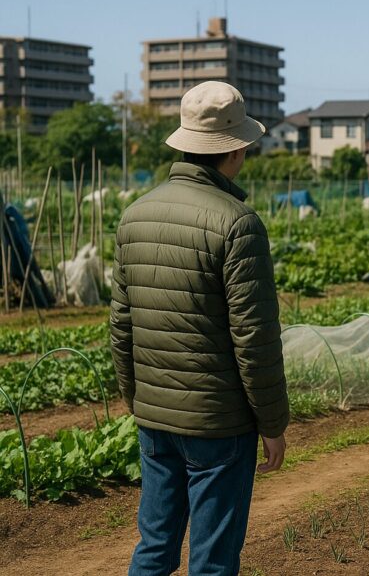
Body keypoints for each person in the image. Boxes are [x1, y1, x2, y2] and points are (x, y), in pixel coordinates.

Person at [110, 81, 290, 575]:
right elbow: (254, 339)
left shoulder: (134, 215)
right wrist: (272, 424)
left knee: (154, 546)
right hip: (219, 424)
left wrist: (138, 401)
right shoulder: (238, 223)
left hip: (155, 419)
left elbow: (121, 326)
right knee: (211, 561)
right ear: (236, 149)